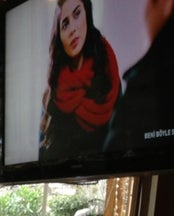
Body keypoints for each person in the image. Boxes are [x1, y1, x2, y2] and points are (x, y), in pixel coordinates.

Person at [103, 0, 174, 153]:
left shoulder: (147, 81)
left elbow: (115, 156)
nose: (145, 14)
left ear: (166, 3)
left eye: (150, 2)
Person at [39, 0, 121, 161]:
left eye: (77, 14)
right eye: (65, 24)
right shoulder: (52, 95)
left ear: (87, 13)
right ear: (59, 36)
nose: (73, 29)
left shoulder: (109, 76)